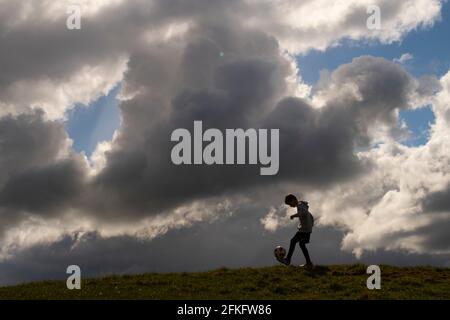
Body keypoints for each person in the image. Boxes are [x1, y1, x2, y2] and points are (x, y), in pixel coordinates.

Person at [281, 194, 314, 268]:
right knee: (302, 244)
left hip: (304, 230)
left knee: (293, 241)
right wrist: (310, 225)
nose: (290, 206)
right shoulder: (302, 204)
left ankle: (287, 260)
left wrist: (293, 216)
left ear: (293, 200)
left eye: (290, 204)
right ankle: (309, 263)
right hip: (308, 230)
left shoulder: (299, 206)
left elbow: (302, 214)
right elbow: (309, 215)